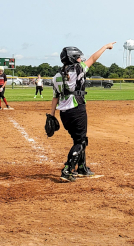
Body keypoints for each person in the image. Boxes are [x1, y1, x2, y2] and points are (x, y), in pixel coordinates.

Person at [49, 42, 115, 182]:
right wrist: (105, 47)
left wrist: (51, 115)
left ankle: (81, 168)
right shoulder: (78, 69)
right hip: (77, 109)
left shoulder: (56, 76)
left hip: (64, 113)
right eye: (78, 57)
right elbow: (93, 58)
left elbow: (55, 97)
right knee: (81, 141)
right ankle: (67, 169)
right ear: (73, 59)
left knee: (78, 139)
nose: (81, 59)